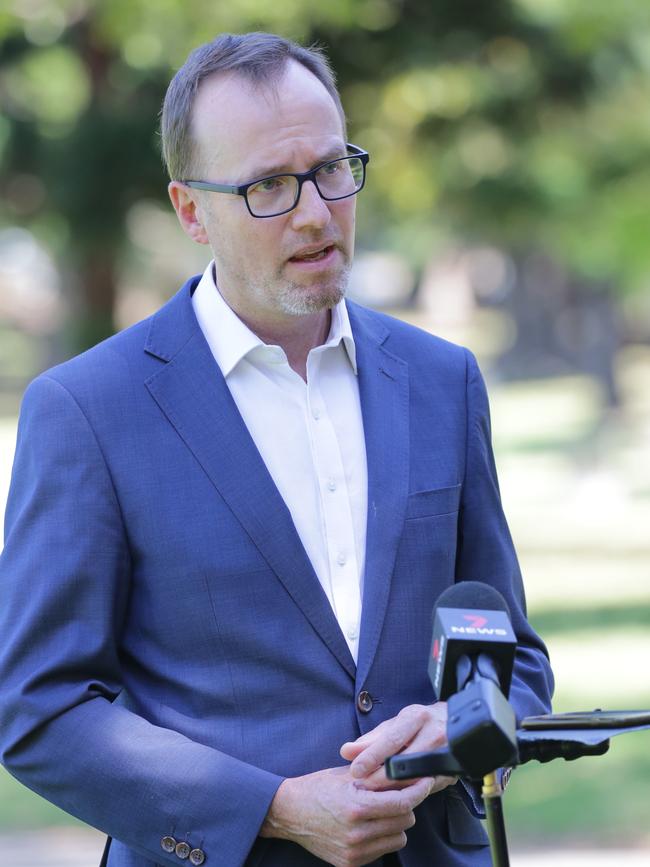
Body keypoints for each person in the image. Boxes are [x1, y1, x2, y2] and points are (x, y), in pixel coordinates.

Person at [0, 32, 553, 867]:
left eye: (331, 169)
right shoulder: (87, 410)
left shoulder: (445, 381)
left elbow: (513, 659)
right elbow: (38, 706)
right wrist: (276, 808)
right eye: (267, 185)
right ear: (191, 211)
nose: (314, 211)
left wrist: (462, 724)